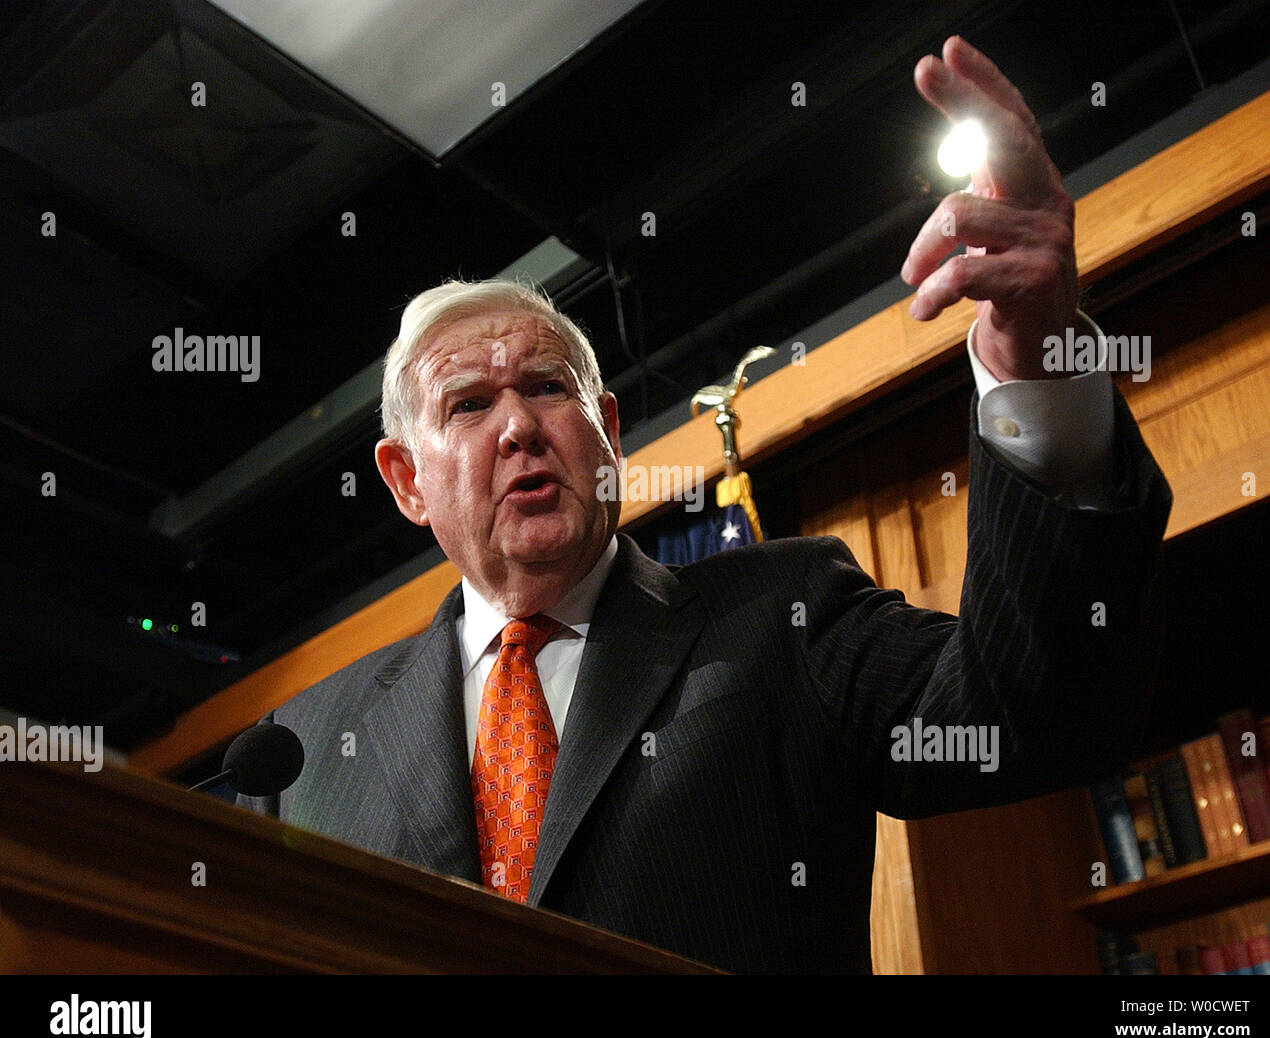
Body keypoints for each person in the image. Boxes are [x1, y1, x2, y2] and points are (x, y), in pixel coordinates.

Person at [238, 37, 1172, 973]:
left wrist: (1038, 362)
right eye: (470, 407)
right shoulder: (303, 755)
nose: (519, 427)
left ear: (606, 430)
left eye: (549, 390)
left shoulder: (788, 619)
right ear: (404, 480)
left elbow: (1025, 716)